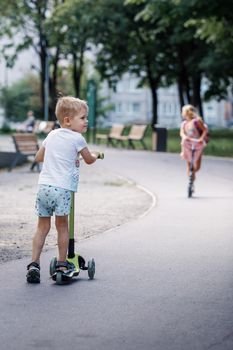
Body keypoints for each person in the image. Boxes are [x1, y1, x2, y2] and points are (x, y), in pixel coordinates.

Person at [26, 96, 101, 283]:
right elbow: (89, 159)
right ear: (68, 120)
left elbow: (38, 157)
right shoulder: (78, 138)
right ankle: (61, 263)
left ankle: (34, 264)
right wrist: (97, 154)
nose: (86, 121)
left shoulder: (51, 135)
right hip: (62, 189)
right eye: (82, 118)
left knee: (42, 227)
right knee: (62, 227)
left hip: (44, 188)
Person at [180, 104, 208, 183]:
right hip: (188, 145)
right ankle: (190, 181)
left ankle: (193, 173)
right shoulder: (184, 124)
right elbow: (182, 133)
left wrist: (201, 139)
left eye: (183, 111)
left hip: (197, 144)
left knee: (198, 167)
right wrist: (185, 137)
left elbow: (205, 130)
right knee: (189, 165)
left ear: (187, 112)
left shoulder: (197, 121)